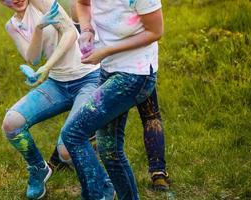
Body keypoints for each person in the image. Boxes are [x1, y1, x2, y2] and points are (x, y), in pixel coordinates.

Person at [48, 0, 170, 191]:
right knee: (108, 149)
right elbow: (82, 3)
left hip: (134, 74)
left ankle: (101, 192)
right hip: (108, 69)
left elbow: (155, 32)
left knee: (73, 133)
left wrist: (105, 50)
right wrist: (87, 30)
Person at [0, 0, 114, 199]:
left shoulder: (43, 2)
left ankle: (104, 185)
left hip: (88, 78)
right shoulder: (12, 25)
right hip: (57, 84)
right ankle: (38, 168)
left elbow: (70, 33)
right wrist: (38, 28)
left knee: (67, 149)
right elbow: (33, 58)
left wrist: (47, 67)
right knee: (11, 124)